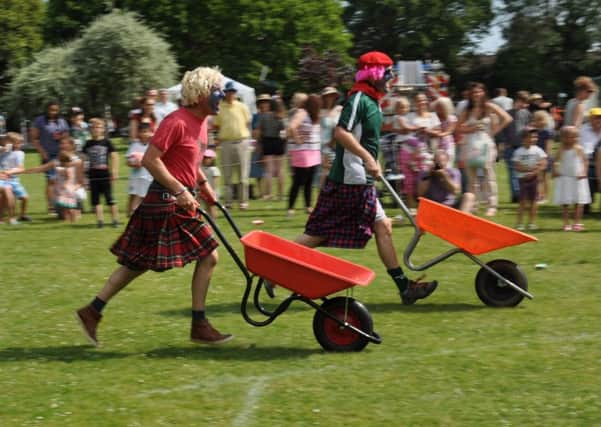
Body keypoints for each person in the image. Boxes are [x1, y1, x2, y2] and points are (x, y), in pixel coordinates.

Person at [76, 66, 232, 346]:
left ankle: (92, 311)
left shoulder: (202, 124)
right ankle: (199, 324)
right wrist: (180, 190)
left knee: (136, 263)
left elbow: (190, 163)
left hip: (176, 199)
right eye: (216, 90)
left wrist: (205, 187)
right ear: (200, 94)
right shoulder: (177, 121)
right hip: (166, 201)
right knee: (209, 256)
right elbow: (151, 159)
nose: (221, 95)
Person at [294, 51, 438, 305]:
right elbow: (341, 132)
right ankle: (275, 267)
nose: (391, 78)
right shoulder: (358, 98)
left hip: (360, 176)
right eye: (388, 73)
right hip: (353, 177)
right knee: (319, 233)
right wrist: (368, 158)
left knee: (381, 227)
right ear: (374, 73)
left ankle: (405, 288)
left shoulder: (372, 101)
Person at [457, 82, 512, 217]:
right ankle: (473, 205)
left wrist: (494, 131)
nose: (476, 95)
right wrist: (471, 129)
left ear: (483, 93)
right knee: (472, 178)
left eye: (479, 92)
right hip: (470, 145)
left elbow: (507, 118)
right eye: (474, 92)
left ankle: (491, 205)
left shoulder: (489, 106)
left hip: (486, 145)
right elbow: (457, 127)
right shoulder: (467, 110)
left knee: (488, 175)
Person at [213, 81, 252, 209]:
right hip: (226, 143)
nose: (231, 94)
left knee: (243, 176)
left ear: (236, 93)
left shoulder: (242, 106)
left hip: (242, 142)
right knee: (227, 174)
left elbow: (247, 123)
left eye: (233, 92)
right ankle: (228, 202)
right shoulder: (220, 107)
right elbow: (216, 126)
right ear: (225, 93)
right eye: (229, 91)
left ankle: (243, 202)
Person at [30, 101, 70, 214]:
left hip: (61, 155)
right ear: (47, 109)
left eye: (56, 110)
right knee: (51, 180)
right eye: (51, 110)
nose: (53, 112)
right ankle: (51, 206)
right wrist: (42, 152)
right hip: (48, 155)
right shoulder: (39, 121)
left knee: (62, 180)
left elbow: (66, 136)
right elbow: (34, 138)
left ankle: (63, 204)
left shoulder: (62, 121)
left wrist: (62, 137)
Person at [286, 94, 322, 216]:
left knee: (309, 181)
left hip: (314, 151)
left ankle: (308, 206)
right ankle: (291, 207)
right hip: (303, 152)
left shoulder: (314, 115)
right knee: (298, 181)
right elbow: (291, 127)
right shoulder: (302, 112)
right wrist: (297, 140)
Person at [83, 118, 120, 228]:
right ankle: (100, 221)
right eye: (93, 127)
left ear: (103, 129)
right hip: (93, 176)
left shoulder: (107, 143)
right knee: (96, 200)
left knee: (110, 199)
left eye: (98, 127)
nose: (96, 129)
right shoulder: (88, 144)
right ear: (90, 129)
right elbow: (83, 157)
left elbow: (114, 156)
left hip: (105, 175)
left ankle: (115, 220)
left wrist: (114, 171)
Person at [553, 126, 591, 231]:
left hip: (578, 178)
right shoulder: (561, 149)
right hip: (565, 178)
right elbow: (556, 161)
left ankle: (577, 222)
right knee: (565, 202)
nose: (571, 139)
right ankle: (566, 223)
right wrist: (556, 170)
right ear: (563, 138)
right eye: (568, 137)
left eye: (574, 137)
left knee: (579, 201)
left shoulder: (578, 148)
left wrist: (584, 171)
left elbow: (585, 161)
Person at [512, 128, 547, 230]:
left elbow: (543, 164)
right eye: (530, 136)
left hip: (534, 180)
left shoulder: (538, 150)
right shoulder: (518, 152)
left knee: (534, 202)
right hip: (522, 180)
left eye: (535, 136)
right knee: (522, 202)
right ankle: (519, 223)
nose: (533, 139)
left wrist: (533, 173)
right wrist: (528, 170)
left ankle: (532, 223)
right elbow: (517, 166)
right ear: (523, 138)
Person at [253, 94, 286, 200]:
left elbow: (258, 131)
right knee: (280, 170)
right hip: (279, 142)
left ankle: (268, 193)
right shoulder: (280, 117)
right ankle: (280, 194)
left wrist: (257, 142)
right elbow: (284, 131)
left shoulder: (264, 116)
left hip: (267, 141)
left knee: (269, 170)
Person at [501, 91, 532, 203]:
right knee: (512, 172)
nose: (524, 105)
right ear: (516, 101)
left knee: (524, 171)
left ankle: (524, 193)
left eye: (526, 103)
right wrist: (504, 143)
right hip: (510, 146)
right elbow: (503, 130)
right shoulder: (507, 113)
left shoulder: (527, 113)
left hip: (523, 147)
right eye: (522, 102)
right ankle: (516, 194)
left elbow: (529, 128)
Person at [0, 132, 30, 223]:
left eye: (20, 143)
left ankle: (22, 215)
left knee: (25, 197)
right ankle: (10, 218)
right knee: (7, 194)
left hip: (13, 179)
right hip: (2, 178)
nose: (20, 145)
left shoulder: (20, 153)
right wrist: (4, 149)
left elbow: (21, 168)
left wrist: (9, 172)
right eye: (18, 143)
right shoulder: (2, 151)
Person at [125, 122, 153, 216]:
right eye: (142, 132)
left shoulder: (152, 145)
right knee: (133, 195)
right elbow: (128, 161)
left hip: (148, 176)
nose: (145, 134)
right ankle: (130, 214)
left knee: (141, 196)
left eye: (147, 132)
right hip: (136, 176)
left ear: (150, 132)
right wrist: (134, 163)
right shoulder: (135, 145)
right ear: (138, 133)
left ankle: (134, 214)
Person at [319, 86, 343, 188]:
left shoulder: (340, 109)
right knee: (325, 171)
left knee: (337, 171)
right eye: (327, 96)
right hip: (324, 146)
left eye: (332, 95)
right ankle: (323, 195)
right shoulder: (320, 111)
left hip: (338, 145)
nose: (329, 98)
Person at [580, 108, 601, 214]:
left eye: (600, 118)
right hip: (587, 162)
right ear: (590, 119)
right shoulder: (583, 130)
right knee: (587, 174)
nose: (599, 120)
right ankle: (586, 203)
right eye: (596, 117)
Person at [531, 110, 554, 203]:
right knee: (538, 178)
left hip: (545, 157)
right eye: (536, 120)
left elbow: (548, 147)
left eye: (540, 120)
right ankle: (539, 195)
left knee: (545, 178)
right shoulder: (534, 132)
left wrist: (545, 158)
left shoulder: (547, 132)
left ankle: (545, 196)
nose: (537, 122)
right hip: (536, 157)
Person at [201, 149, 221, 219]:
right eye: (204, 157)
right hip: (202, 191)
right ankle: (208, 220)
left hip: (211, 191)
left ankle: (213, 221)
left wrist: (212, 191)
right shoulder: (200, 168)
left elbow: (215, 181)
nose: (206, 159)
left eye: (208, 158)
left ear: (213, 159)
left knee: (212, 207)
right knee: (206, 207)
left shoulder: (214, 169)